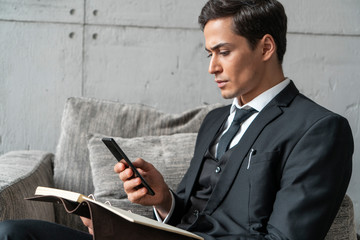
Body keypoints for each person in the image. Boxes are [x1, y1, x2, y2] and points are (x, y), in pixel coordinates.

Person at [0, 0, 353, 239]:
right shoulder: (216, 120)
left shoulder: (319, 130)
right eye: (209, 53)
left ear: (265, 47)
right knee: (14, 233)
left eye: (223, 52)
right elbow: (190, 212)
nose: (211, 67)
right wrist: (163, 200)